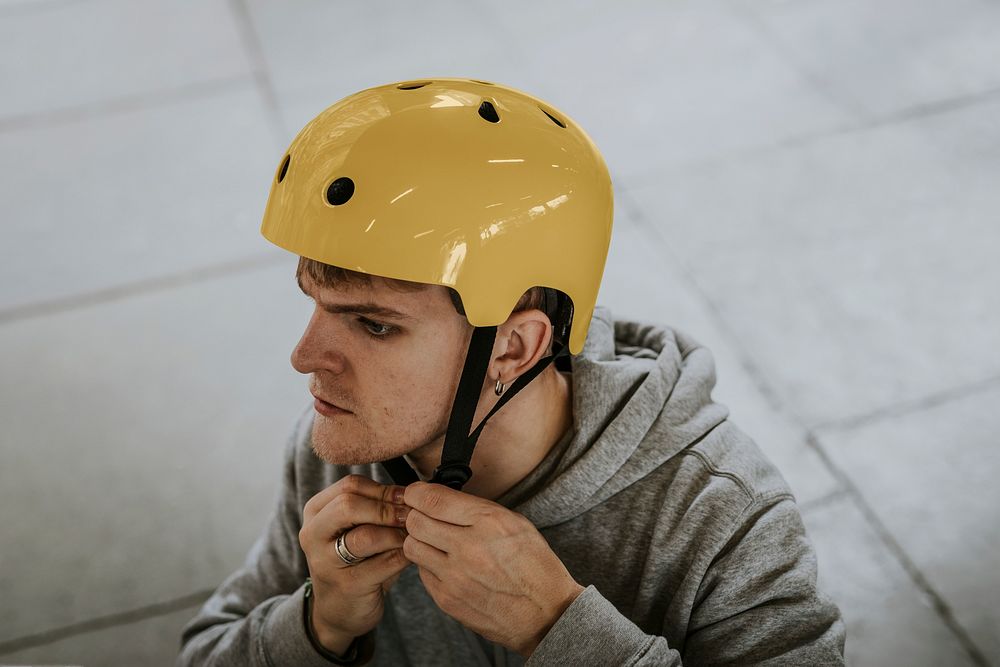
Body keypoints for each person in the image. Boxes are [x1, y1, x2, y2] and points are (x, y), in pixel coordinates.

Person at [177, 78, 846, 666]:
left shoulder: (718, 513)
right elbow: (207, 649)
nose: (304, 356)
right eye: (317, 305)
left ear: (515, 349)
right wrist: (318, 626)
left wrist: (558, 629)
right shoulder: (341, 448)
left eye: (374, 324)